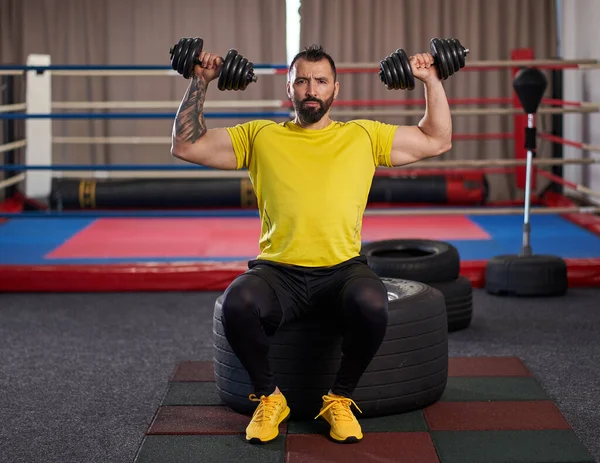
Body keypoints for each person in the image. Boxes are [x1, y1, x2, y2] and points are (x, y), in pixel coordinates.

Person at [170, 44, 452, 444]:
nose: (311, 89)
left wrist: (431, 79)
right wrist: (200, 81)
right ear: (290, 88)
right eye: (301, 80)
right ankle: (270, 398)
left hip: (342, 270)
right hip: (278, 271)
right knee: (237, 304)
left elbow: (436, 140)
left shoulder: (363, 136)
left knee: (374, 303)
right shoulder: (260, 136)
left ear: (335, 88)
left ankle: (339, 398)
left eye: (320, 80)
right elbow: (185, 146)